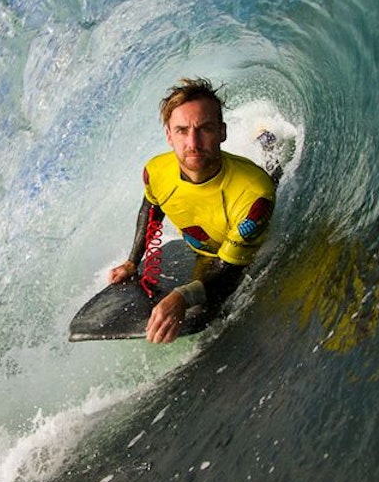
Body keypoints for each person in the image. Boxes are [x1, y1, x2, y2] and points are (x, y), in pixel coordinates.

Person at [108, 77, 277, 343]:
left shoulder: (254, 195)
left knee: (271, 176)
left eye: (205, 129)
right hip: (204, 250)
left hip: (239, 255)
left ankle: (271, 151)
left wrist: (182, 297)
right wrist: (132, 261)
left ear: (222, 132)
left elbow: (230, 275)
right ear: (168, 136)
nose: (193, 143)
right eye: (182, 130)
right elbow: (151, 209)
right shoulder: (156, 171)